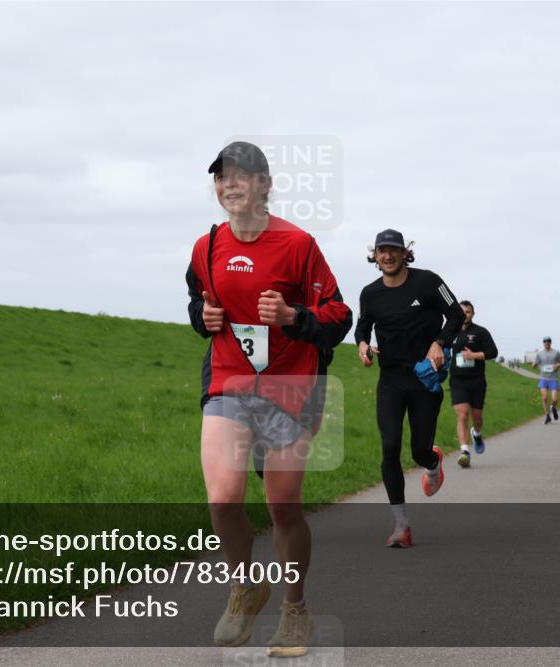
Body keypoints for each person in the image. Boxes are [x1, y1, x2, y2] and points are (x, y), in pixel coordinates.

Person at [185, 141, 353, 657]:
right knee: (222, 496)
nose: (229, 185)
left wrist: (293, 318)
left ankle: (295, 609)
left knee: (283, 506)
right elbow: (198, 298)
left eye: (240, 176)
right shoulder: (206, 246)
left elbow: (339, 317)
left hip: (290, 387)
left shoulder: (298, 244)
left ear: (264, 185)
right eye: (221, 178)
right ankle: (245, 586)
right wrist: (202, 318)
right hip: (229, 383)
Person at [355, 229, 464, 547]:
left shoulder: (428, 282)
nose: (387, 256)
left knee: (418, 451)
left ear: (405, 253)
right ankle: (401, 526)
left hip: (424, 377)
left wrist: (439, 342)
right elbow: (363, 325)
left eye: (393, 250)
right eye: (381, 251)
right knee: (389, 446)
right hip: (390, 379)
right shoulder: (370, 293)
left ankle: (432, 462)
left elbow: (455, 314)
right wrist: (362, 343)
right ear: (374, 255)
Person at [448, 300, 498, 468]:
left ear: (472, 314)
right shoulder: (450, 331)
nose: (465, 314)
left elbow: (493, 352)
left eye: (468, 312)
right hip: (457, 380)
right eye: (462, 311)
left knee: (477, 416)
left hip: (476, 380)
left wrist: (474, 355)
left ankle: (476, 433)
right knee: (462, 415)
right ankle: (464, 451)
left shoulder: (481, 332)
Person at [532, 337, 560, 424]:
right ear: (543, 343)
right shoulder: (540, 354)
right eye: (545, 341)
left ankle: (552, 408)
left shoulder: (556, 352)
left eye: (548, 341)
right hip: (543, 378)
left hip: (553, 378)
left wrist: (557, 365)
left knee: (555, 400)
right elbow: (535, 365)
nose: (547, 343)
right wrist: (534, 365)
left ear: (551, 342)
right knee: (545, 397)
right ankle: (547, 416)